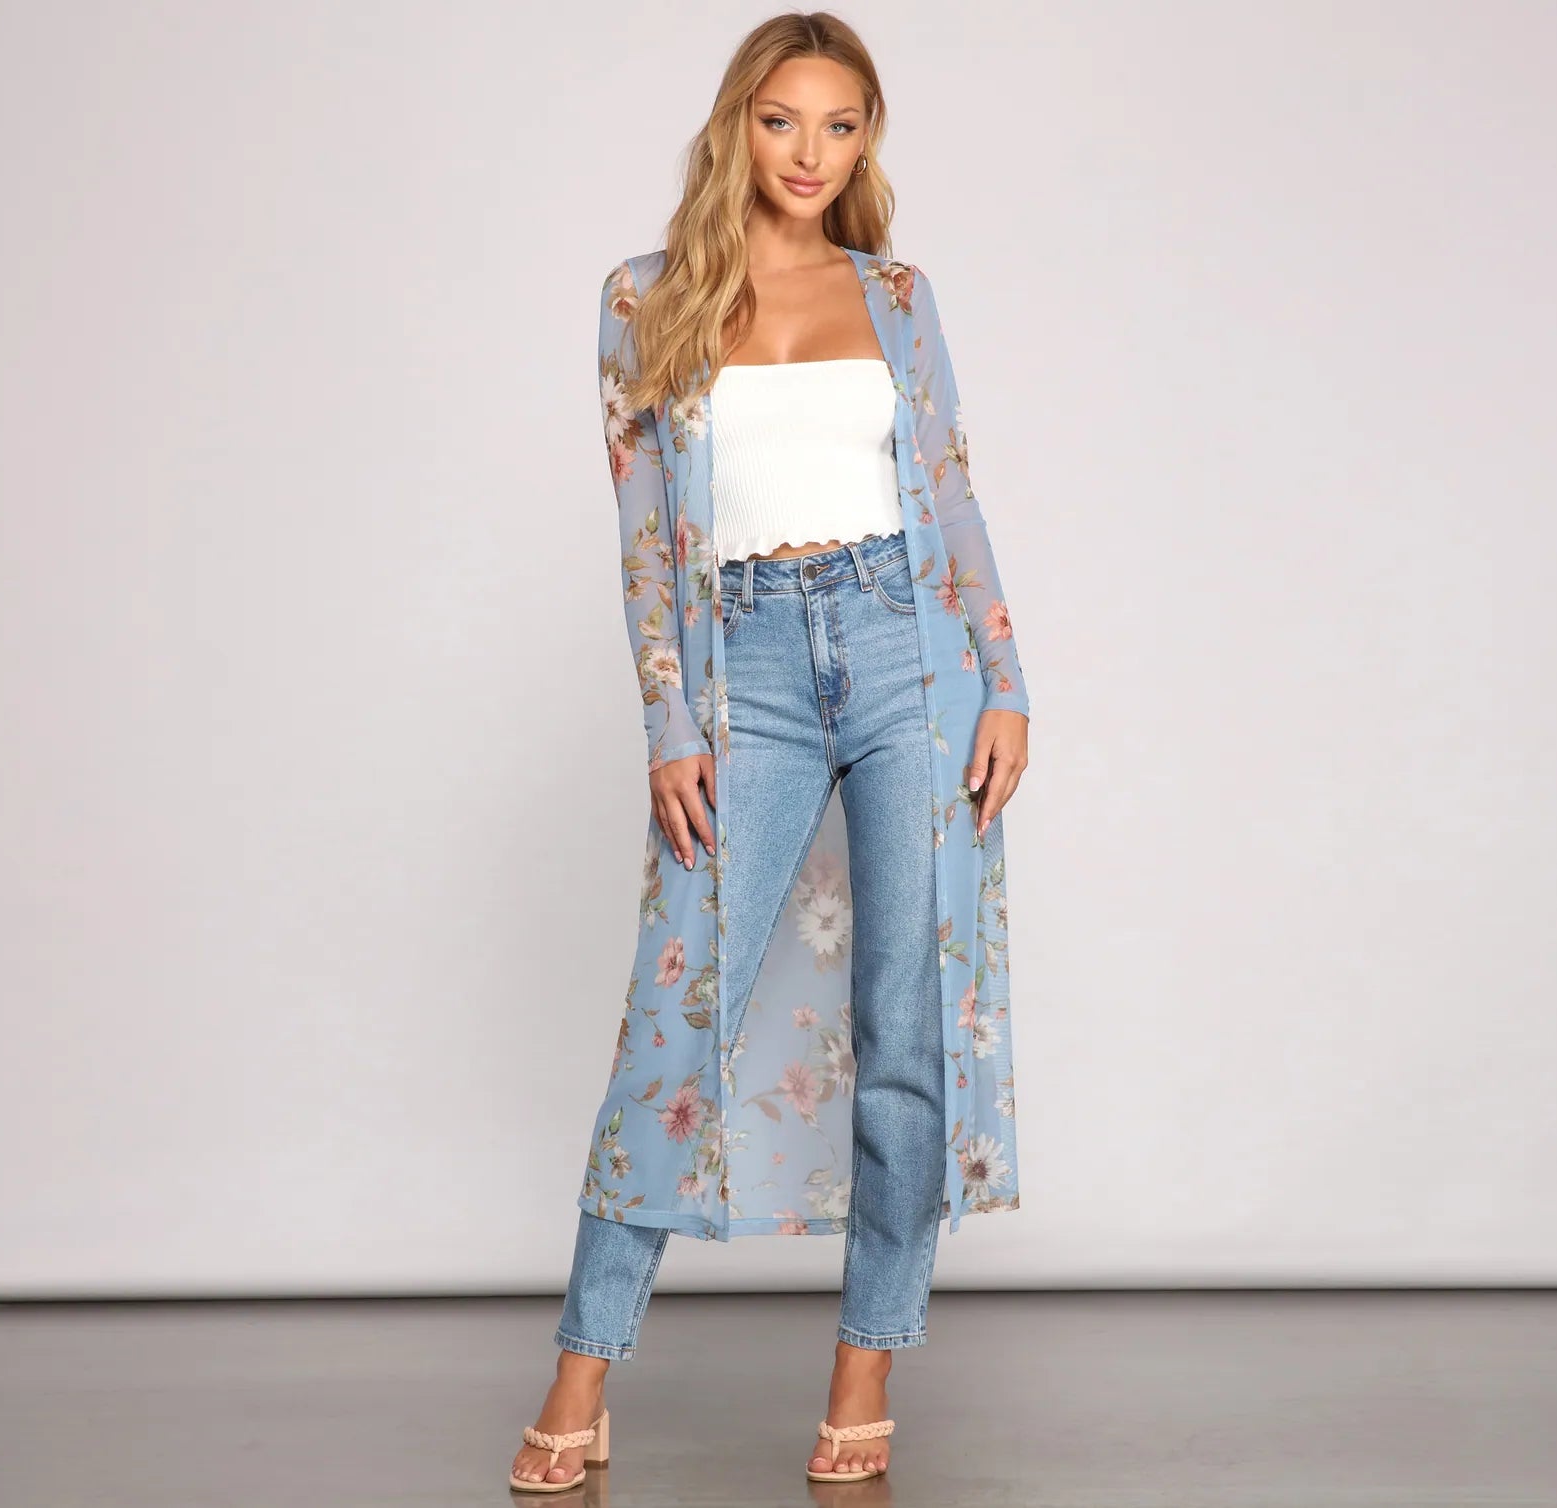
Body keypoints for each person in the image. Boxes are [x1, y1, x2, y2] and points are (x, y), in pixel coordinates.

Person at [510, 11, 1032, 1492]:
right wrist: (668, 722)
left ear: (868, 143)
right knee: (672, 1022)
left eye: (842, 126)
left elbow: (952, 491)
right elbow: (640, 532)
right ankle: (581, 1373)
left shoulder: (900, 297)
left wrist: (1006, 680)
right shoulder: (644, 298)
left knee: (905, 1028)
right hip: (743, 668)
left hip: (908, 654)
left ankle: (866, 1368)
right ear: (737, 123)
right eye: (783, 120)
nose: (811, 153)